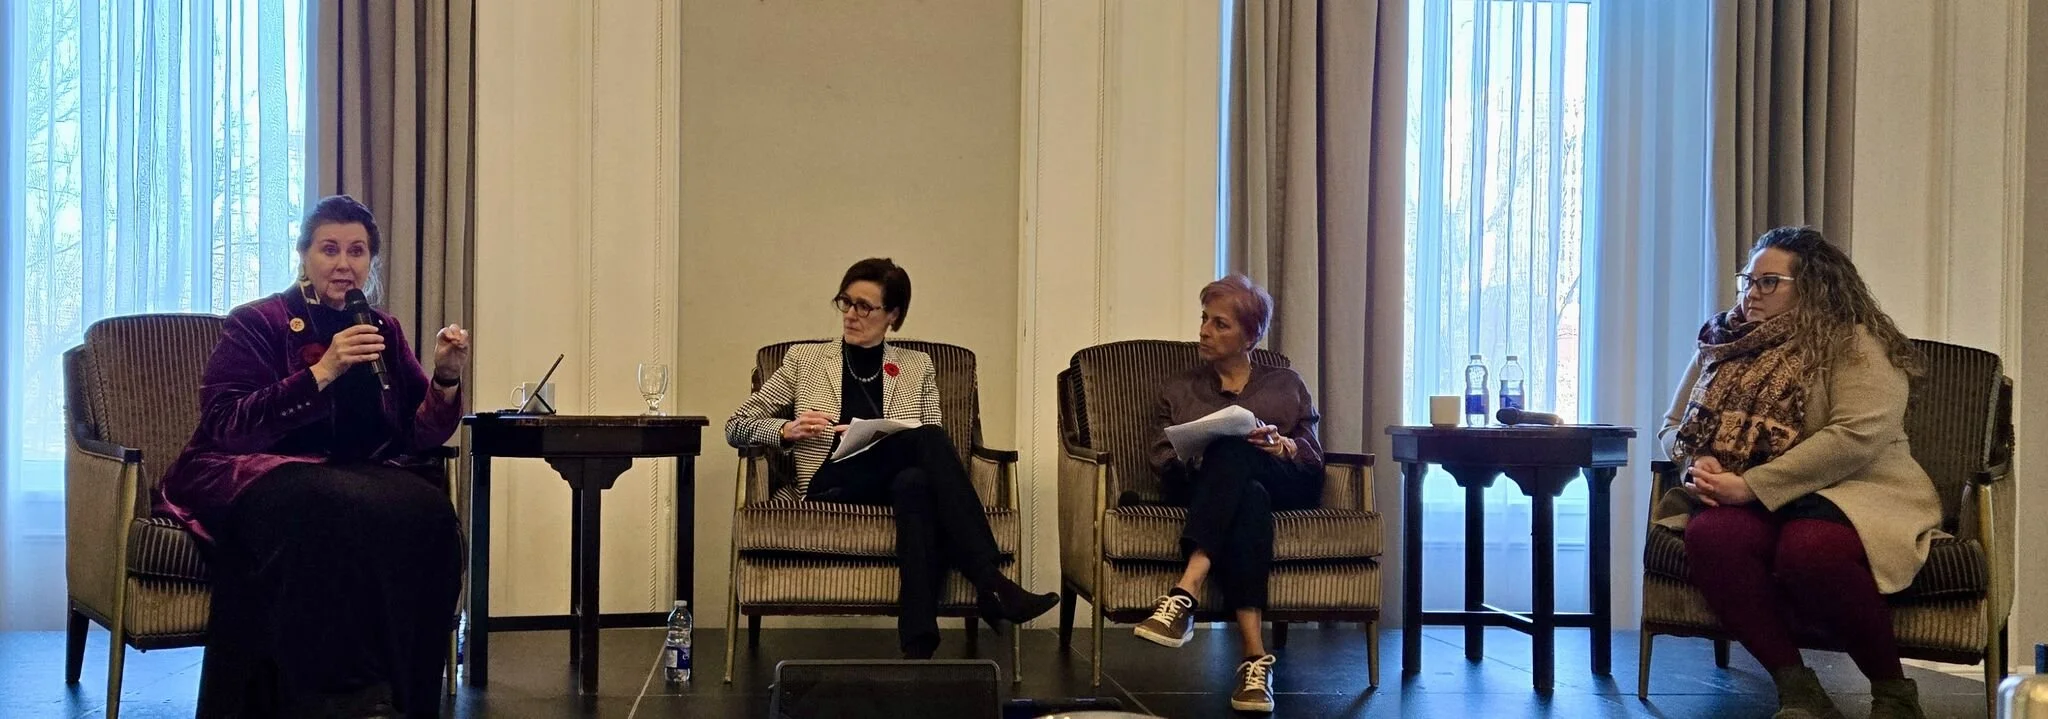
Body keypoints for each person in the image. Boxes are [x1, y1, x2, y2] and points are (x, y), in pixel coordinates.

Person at [157, 195, 470, 718]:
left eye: (357, 251)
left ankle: (401, 697)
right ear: (304, 255)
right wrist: (322, 372)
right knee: (320, 506)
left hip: (349, 477)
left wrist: (445, 377)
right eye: (329, 249)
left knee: (429, 512)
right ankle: (328, 701)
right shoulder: (257, 321)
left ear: (372, 262)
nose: (343, 263)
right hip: (249, 471)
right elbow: (226, 424)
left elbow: (419, 433)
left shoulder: (383, 329)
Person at [1657, 227, 1937, 719]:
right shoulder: (1721, 342)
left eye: (1769, 282)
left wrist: (1752, 485)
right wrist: (1695, 461)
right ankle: (1797, 688)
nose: (1751, 293)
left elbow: (1856, 435)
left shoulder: (1852, 342)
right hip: (1746, 494)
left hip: (1851, 489)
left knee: (1809, 550)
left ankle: (1894, 693)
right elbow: (1673, 425)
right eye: (1748, 280)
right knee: (1713, 537)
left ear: (1812, 285)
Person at [724, 258, 1058, 659]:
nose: (851, 314)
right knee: (926, 441)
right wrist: (785, 430)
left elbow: (936, 448)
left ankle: (919, 642)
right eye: (846, 302)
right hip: (831, 481)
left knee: (916, 481)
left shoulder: (917, 366)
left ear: (893, 316)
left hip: (892, 483)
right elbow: (736, 425)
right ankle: (991, 581)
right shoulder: (804, 360)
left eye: (865, 306)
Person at [1129, 274, 1324, 714]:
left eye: (1220, 324)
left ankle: (1185, 592)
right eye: (1204, 319)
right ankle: (1254, 661)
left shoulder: (1286, 383)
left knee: (1240, 454)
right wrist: (1202, 452)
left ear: (1250, 336)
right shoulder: (1180, 387)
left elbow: (1313, 454)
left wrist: (1283, 446)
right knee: (1244, 487)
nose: (1204, 331)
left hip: (1285, 480)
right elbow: (1161, 457)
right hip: (1205, 485)